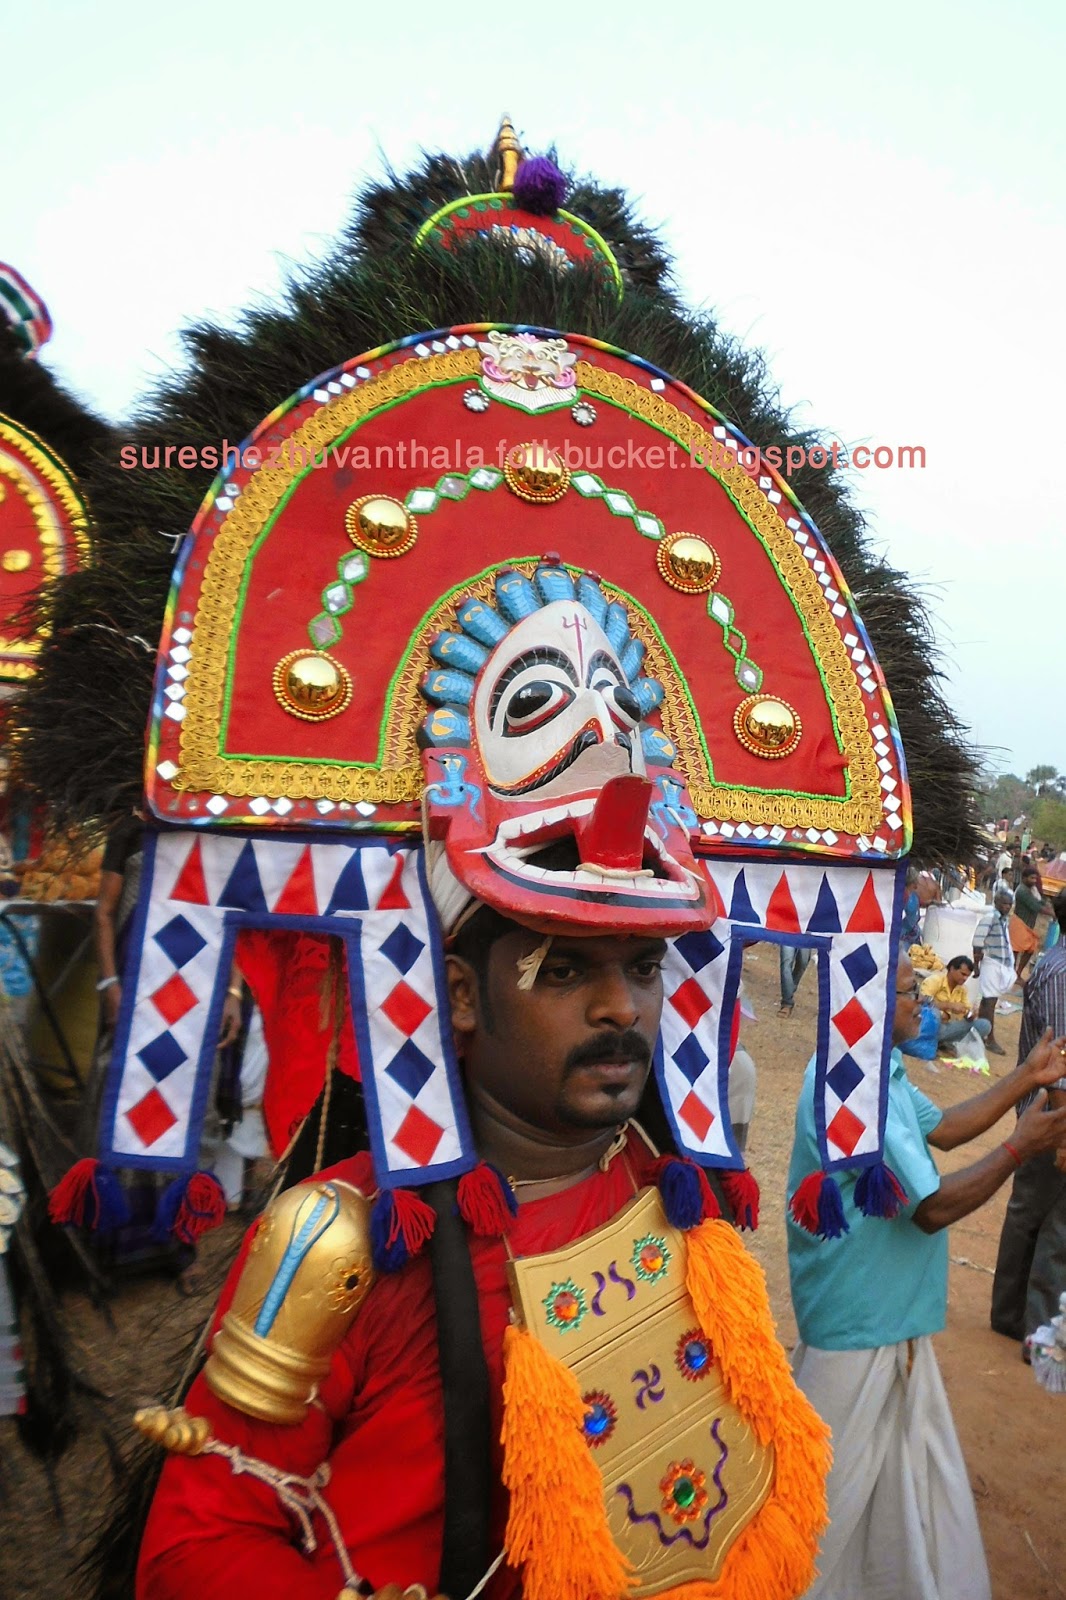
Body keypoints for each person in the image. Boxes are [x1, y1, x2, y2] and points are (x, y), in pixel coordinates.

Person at [787, 951, 1066, 1600]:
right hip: (858, 1319)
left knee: (895, 1488)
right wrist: (1020, 1146)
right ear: (872, 1006)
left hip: (885, 1313)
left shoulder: (868, 1068)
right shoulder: (855, 1089)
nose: (927, 1004)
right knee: (819, 1506)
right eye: (912, 992)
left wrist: (1025, 1078)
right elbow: (932, 1208)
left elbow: (942, 1130)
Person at [991, 890, 1066, 1344]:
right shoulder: (1063, 973)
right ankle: (1037, 1330)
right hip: (1052, 1115)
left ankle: (1015, 1316)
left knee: (1036, 1214)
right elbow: (1060, 1059)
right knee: (1051, 1222)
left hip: (1049, 1113)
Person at [973, 888, 1016, 1054]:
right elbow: (977, 942)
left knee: (988, 1001)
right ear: (996, 902)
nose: (1007, 907)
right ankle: (990, 1039)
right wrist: (976, 966)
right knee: (990, 1002)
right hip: (991, 962)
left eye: (1009, 904)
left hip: (1000, 963)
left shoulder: (1003, 920)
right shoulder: (989, 918)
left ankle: (980, 1033)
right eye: (1004, 903)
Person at [920, 955, 992, 1053]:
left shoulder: (962, 990)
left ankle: (945, 1042)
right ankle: (942, 1041)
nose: (965, 978)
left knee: (984, 1025)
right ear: (952, 969)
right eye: (963, 974)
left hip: (947, 1028)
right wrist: (949, 1005)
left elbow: (966, 1011)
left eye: (967, 976)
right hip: (928, 1025)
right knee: (936, 1016)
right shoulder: (935, 980)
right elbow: (922, 1003)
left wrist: (970, 1015)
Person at [1011, 865, 1053, 981]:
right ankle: (1012, 975)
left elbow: (1041, 902)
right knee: (1015, 951)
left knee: (1030, 949)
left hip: (1028, 925)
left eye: (1035, 878)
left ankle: (1017, 973)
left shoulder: (1032, 889)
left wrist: (1051, 907)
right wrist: (1053, 914)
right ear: (1024, 878)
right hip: (1019, 922)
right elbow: (1036, 906)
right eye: (1032, 878)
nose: (1034, 881)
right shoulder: (1022, 891)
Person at [779, 942, 811, 1016]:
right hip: (788, 935)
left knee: (803, 962)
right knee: (786, 964)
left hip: (806, 936)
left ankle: (789, 988)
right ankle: (787, 1003)